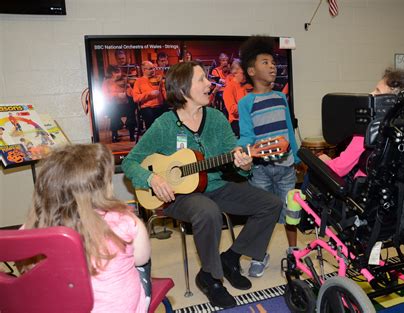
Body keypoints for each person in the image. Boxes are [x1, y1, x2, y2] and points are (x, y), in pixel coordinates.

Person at [121, 61, 281, 309]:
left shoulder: (216, 118)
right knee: (207, 211)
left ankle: (230, 258)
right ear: (184, 89)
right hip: (178, 196)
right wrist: (152, 178)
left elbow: (235, 161)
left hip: (216, 185)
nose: (209, 84)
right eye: (201, 80)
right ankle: (211, 277)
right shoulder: (164, 124)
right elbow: (131, 162)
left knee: (271, 204)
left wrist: (245, 164)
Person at [22, 143, 152, 313]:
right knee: (143, 265)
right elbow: (142, 258)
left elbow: (25, 269)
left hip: (59, 307)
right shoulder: (126, 222)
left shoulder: (30, 230)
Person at [237, 36, 300, 277]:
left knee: (291, 212)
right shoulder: (246, 103)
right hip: (260, 171)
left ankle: (294, 251)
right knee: (261, 214)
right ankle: (258, 254)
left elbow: (288, 131)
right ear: (252, 71)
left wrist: (297, 156)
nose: (272, 66)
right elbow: (246, 135)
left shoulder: (281, 98)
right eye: (265, 62)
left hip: (286, 168)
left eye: (273, 62)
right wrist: (240, 150)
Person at [318, 68, 404, 176]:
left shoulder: (368, 130)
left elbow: (339, 169)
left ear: (389, 101)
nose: (371, 93)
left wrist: (324, 160)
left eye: (377, 91)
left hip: (363, 188)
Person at [102, 65, 136, 142]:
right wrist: (116, 95)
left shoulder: (125, 81)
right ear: (111, 73)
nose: (118, 74)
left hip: (125, 105)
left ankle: (131, 133)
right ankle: (114, 134)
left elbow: (132, 93)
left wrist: (128, 91)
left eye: (119, 72)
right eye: (116, 72)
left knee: (132, 105)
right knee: (113, 109)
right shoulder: (106, 82)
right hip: (113, 106)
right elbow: (105, 95)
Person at [132, 61, 168, 130]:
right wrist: (149, 94)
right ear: (144, 70)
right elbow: (135, 98)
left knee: (167, 119)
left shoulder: (158, 79)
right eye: (151, 69)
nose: (153, 70)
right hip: (147, 107)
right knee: (150, 120)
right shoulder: (138, 81)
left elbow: (164, 94)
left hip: (160, 106)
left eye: (154, 68)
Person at [222, 59, 252, 137]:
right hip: (237, 123)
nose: (247, 76)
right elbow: (232, 109)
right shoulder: (229, 88)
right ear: (235, 73)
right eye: (244, 73)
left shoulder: (248, 85)